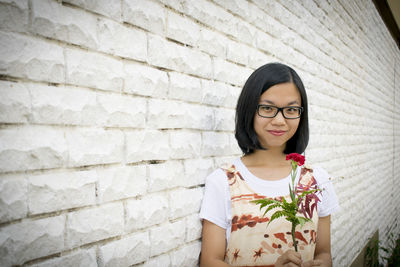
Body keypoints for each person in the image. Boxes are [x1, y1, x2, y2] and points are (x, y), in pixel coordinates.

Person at [199, 63, 339, 266]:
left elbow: (324, 253)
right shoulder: (224, 182)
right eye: (267, 108)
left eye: (291, 109)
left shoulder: (318, 180)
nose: (280, 120)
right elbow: (210, 262)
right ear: (249, 110)